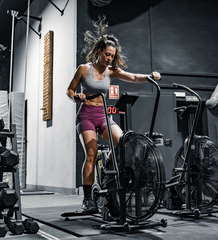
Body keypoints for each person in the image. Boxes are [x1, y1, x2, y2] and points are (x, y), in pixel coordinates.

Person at [67, 16, 161, 213]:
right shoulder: (84, 69)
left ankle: (110, 172)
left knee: (124, 143)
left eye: (112, 56)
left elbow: (134, 77)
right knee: (91, 154)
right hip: (86, 116)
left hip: (103, 116)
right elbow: (69, 91)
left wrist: (150, 76)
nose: (109, 58)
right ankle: (87, 200)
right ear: (100, 51)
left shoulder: (112, 71)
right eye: (107, 54)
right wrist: (77, 97)